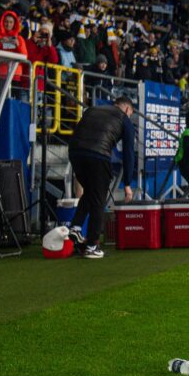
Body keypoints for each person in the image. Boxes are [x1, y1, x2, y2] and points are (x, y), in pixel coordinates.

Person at [68, 96, 137, 259]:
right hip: (98, 154)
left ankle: (76, 228)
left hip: (75, 152)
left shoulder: (92, 110)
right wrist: (127, 183)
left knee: (91, 192)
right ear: (127, 109)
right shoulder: (124, 119)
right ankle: (92, 245)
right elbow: (129, 154)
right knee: (99, 199)